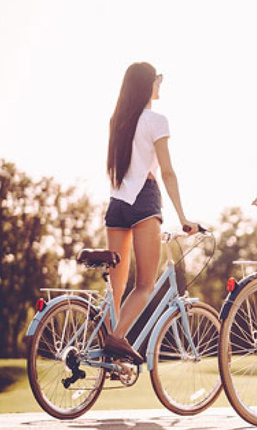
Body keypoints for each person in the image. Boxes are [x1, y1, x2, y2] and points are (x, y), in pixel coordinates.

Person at [103, 62, 199, 363]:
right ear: (148, 84)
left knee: (115, 289)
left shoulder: (117, 120)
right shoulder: (156, 120)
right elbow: (167, 172)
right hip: (144, 200)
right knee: (144, 285)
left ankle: (111, 359)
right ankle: (116, 340)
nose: (160, 84)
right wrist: (183, 218)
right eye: (158, 79)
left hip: (116, 203)